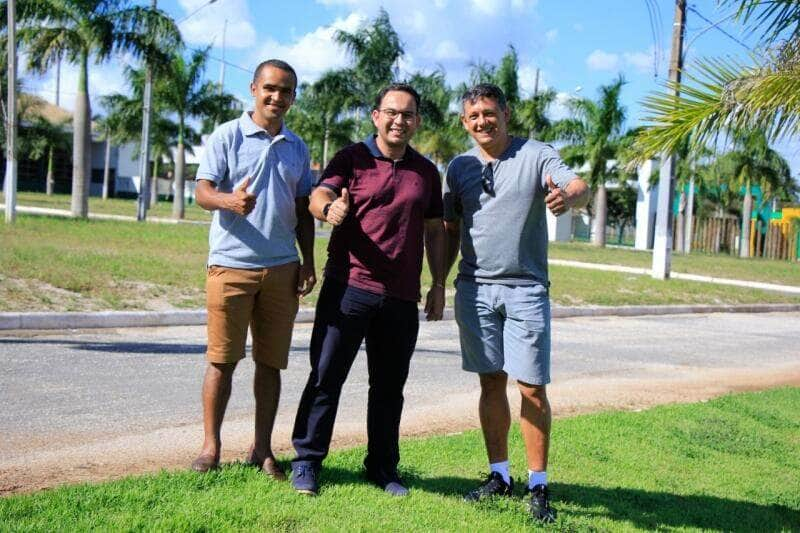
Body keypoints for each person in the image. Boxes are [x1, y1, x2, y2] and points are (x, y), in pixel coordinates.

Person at [290, 83, 446, 497]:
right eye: (392, 112)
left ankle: (382, 467)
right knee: (326, 376)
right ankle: (306, 460)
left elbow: (434, 229)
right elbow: (319, 193)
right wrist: (329, 208)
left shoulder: (427, 172)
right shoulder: (352, 157)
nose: (400, 120)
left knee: (389, 387)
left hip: (400, 297)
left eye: (408, 114)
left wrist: (439, 283)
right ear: (376, 116)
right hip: (349, 287)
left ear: (417, 121)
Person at [443, 83, 589, 522]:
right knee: (490, 382)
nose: (482, 122)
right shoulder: (459, 167)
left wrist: (571, 198)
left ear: (505, 113)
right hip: (473, 288)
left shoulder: (536, 154)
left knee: (531, 388)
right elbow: (452, 229)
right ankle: (499, 476)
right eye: (473, 117)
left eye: (489, 113)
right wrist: (437, 283)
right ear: (464, 123)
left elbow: (576, 184)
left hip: (525, 287)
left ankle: (538, 484)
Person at [191, 59, 316, 479]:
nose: (277, 97)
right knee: (222, 361)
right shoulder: (228, 135)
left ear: (294, 97)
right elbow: (202, 192)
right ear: (253, 89)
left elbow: (302, 211)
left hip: (282, 269)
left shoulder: (298, 148)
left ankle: (262, 450)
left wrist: (308, 262)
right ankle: (211, 447)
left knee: (271, 364)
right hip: (231, 266)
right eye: (270, 88)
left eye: (286, 91)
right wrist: (229, 201)